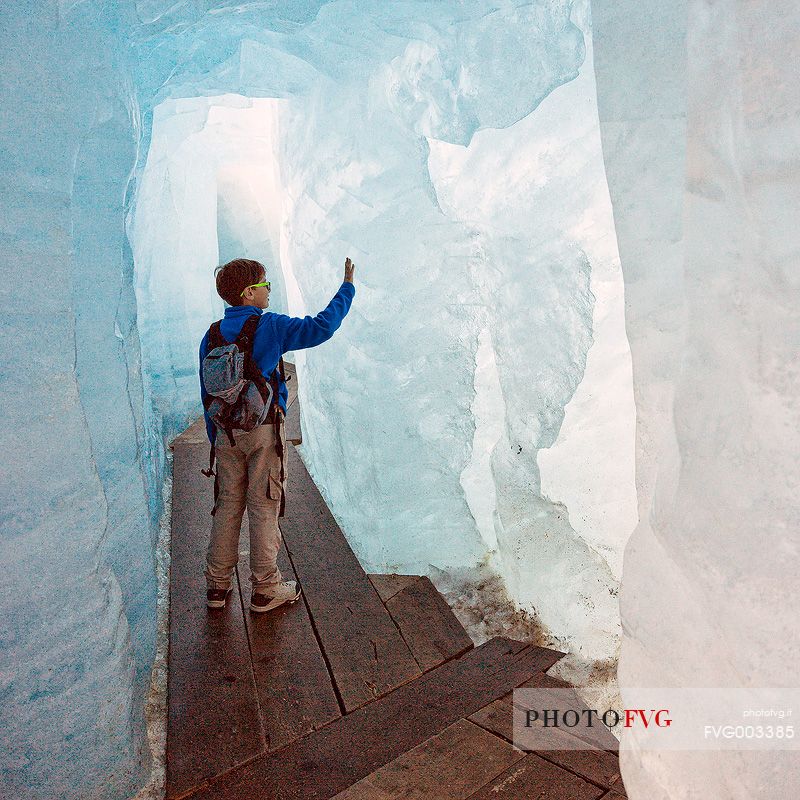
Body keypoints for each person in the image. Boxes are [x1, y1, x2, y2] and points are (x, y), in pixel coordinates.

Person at [199, 256, 356, 612]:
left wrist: (218, 438)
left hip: (225, 434)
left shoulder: (210, 335)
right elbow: (321, 327)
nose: (270, 290)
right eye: (265, 285)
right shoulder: (269, 326)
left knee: (227, 506)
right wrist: (347, 287)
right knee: (263, 505)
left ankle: (217, 587)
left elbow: (206, 392)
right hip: (263, 430)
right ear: (249, 292)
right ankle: (266, 588)